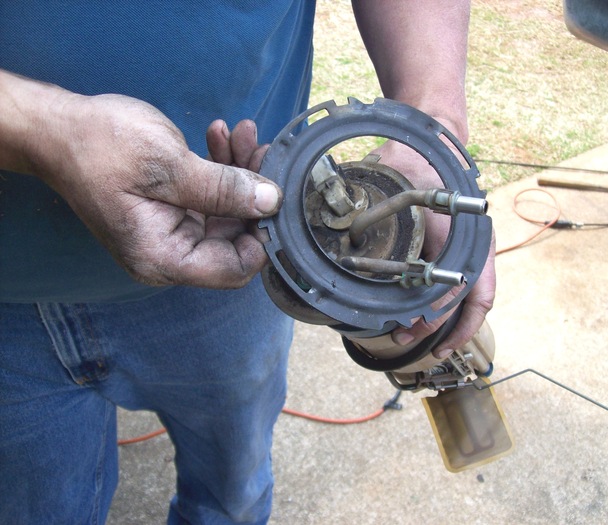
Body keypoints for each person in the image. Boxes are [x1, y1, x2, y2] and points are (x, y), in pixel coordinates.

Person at [0, 1, 495, 523]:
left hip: (234, 264)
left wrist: (432, 119)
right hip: (11, 306)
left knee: (231, 496)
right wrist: (47, 131)